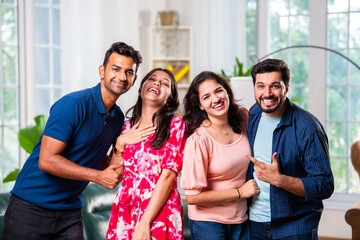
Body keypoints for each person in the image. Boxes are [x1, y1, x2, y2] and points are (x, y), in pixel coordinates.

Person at [1, 42, 143, 240]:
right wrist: (98, 176)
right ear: (102, 71)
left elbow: (100, 162)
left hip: (71, 211)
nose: (122, 77)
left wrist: (120, 147)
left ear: (134, 79)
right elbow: (47, 160)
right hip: (31, 207)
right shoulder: (72, 104)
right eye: (116, 69)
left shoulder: (118, 118)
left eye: (129, 72)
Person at [246, 58, 334, 239]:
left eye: (275, 86)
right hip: (254, 223)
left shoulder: (307, 127)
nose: (267, 93)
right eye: (261, 86)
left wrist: (279, 180)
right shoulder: (252, 114)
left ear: (287, 87)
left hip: (295, 226)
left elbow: (325, 185)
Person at [106, 68, 186, 240]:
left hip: (159, 209)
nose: (157, 83)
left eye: (165, 83)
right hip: (125, 208)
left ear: (169, 98)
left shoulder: (176, 125)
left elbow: (167, 177)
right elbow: (113, 176)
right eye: (152, 79)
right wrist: (120, 142)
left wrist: (145, 223)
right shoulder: (125, 126)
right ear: (140, 90)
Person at [180, 71, 260, 240]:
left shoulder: (243, 118)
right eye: (206, 96)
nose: (215, 99)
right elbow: (193, 197)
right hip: (208, 222)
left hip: (241, 217)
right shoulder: (199, 140)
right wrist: (240, 192)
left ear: (227, 92)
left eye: (218, 91)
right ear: (200, 105)